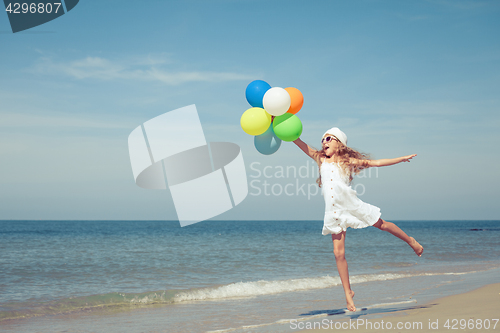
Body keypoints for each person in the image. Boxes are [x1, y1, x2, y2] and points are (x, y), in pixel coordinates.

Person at [293, 127, 423, 312]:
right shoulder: (320, 159)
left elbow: (376, 163)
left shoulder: (347, 161)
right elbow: (299, 142)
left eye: (328, 138)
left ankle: (411, 241)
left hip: (352, 205)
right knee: (338, 254)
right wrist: (281, 127)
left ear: (339, 143)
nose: (324, 142)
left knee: (382, 224)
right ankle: (348, 294)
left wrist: (400, 159)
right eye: (322, 140)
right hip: (333, 211)